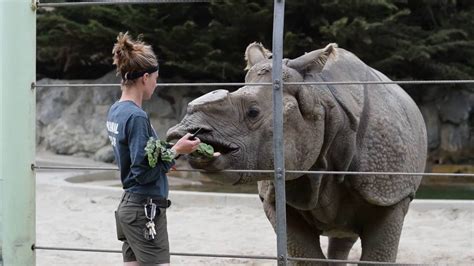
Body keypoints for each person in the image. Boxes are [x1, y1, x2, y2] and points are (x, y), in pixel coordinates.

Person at [106, 32, 199, 266]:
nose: (156, 85)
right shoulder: (137, 117)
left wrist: (171, 151)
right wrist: (177, 151)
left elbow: (139, 156)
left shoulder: (116, 111)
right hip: (145, 209)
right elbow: (143, 170)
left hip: (130, 207)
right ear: (145, 78)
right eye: (156, 78)